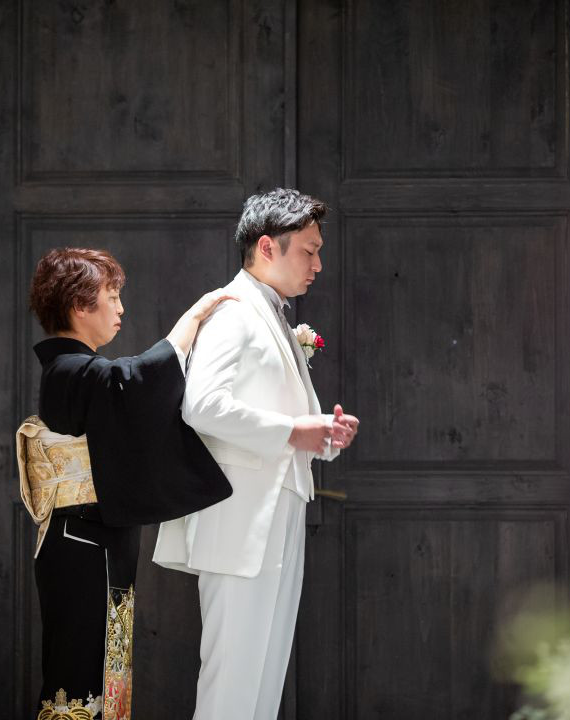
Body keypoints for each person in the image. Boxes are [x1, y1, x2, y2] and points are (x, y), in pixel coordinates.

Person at [154, 188, 361, 720]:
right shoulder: (234, 311)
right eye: (309, 251)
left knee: (264, 683)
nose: (319, 265)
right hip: (241, 523)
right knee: (233, 685)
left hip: (279, 513)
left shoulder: (273, 314)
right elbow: (202, 406)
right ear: (267, 247)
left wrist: (324, 435)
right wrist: (293, 431)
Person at [18, 247, 234, 720]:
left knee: (104, 675)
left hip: (92, 540)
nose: (121, 308)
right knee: (77, 681)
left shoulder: (76, 371)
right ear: (80, 305)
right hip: (80, 544)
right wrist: (192, 320)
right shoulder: (67, 370)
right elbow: (133, 382)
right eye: (111, 296)